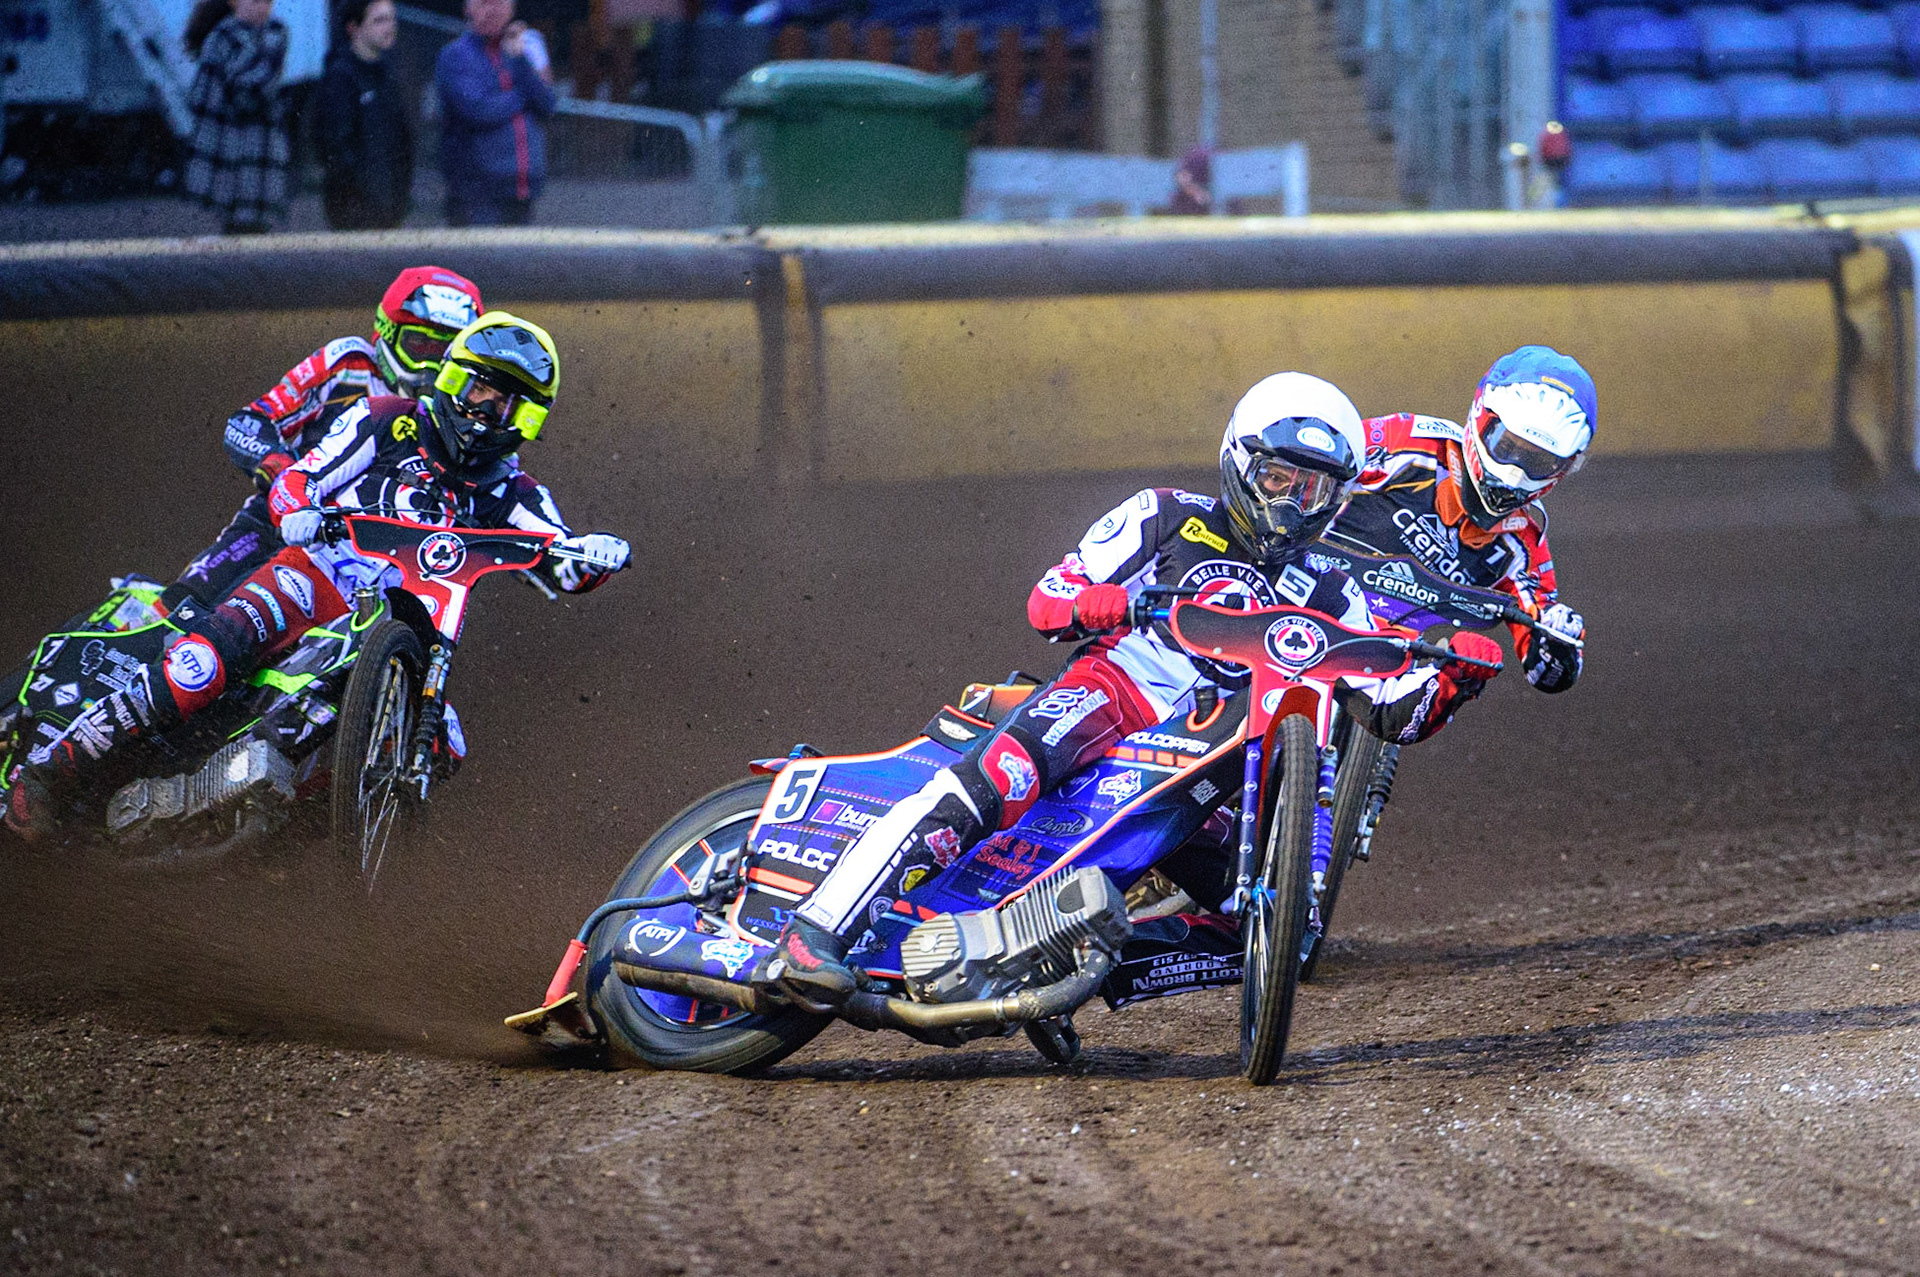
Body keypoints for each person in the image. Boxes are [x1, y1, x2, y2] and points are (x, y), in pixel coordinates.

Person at [755, 372, 1505, 1005]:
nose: (1290, 501)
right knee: (995, 777)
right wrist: (1107, 603)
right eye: (1278, 477)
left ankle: (1055, 954)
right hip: (1115, 693)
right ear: (1241, 463)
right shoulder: (1165, 514)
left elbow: (1390, 710)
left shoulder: (1334, 590)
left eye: (1312, 488)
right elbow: (1049, 600)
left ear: (1337, 500)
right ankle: (817, 926)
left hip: (1215, 761)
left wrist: (1457, 676)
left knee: (1276, 935)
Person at [4, 313, 630, 842]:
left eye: (512, 405)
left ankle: (290, 834)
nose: (492, 413)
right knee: (202, 662)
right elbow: (306, 473)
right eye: (484, 393)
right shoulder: (388, 418)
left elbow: (561, 559)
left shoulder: (513, 489)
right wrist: (299, 509)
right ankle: (55, 768)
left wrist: (594, 555)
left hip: (397, 619)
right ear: (455, 382)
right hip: (317, 572)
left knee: (446, 746)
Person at [163, 266, 485, 615]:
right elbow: (248, 422)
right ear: (387, 333)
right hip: (287, 521)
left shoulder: (471, 413)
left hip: (375, 557)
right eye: (420, 345)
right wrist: (281, 469)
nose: (433, 366)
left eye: (447, 353)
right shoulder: (349, 363)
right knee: (182, 605)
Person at [1327, 344, 1593, 695]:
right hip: (1298, 599)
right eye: (1507, 447)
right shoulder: (1408, 441)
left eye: (1538, 462)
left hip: (1388, 664)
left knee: (1443, 690)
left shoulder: (1522, 543)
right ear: (1482, 417)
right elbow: (1317, 458)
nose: (1514, 475)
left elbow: (1545, 672)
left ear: (1562, 469)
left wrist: (1560, 640)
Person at [435, 0, 556, 227]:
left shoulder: (523, 48)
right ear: (467, 8)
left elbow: (548, 105)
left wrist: (521, 61)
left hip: (523, 188)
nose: (492, 10)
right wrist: (525, 95)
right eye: (483, 3)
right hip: (476, 192)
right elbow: (479, 111)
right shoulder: (455, 55)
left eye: (499, 2)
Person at [183, 0, 291, 235]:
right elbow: (228, 93)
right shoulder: (222, 37)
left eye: (268, 2)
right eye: (256, 1)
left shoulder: (275, 32)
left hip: (261, 143)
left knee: (256, 221)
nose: (263, 8)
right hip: (231, 144)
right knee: (238, 221)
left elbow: (256, 84)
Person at [319, 0, 414, 231]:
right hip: (354, 209)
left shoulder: (388, 76)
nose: (389, 27)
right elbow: (335, 147)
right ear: (354, 27)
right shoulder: (340, 78)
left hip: (390, 206)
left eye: (391, 19)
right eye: (379, 20)